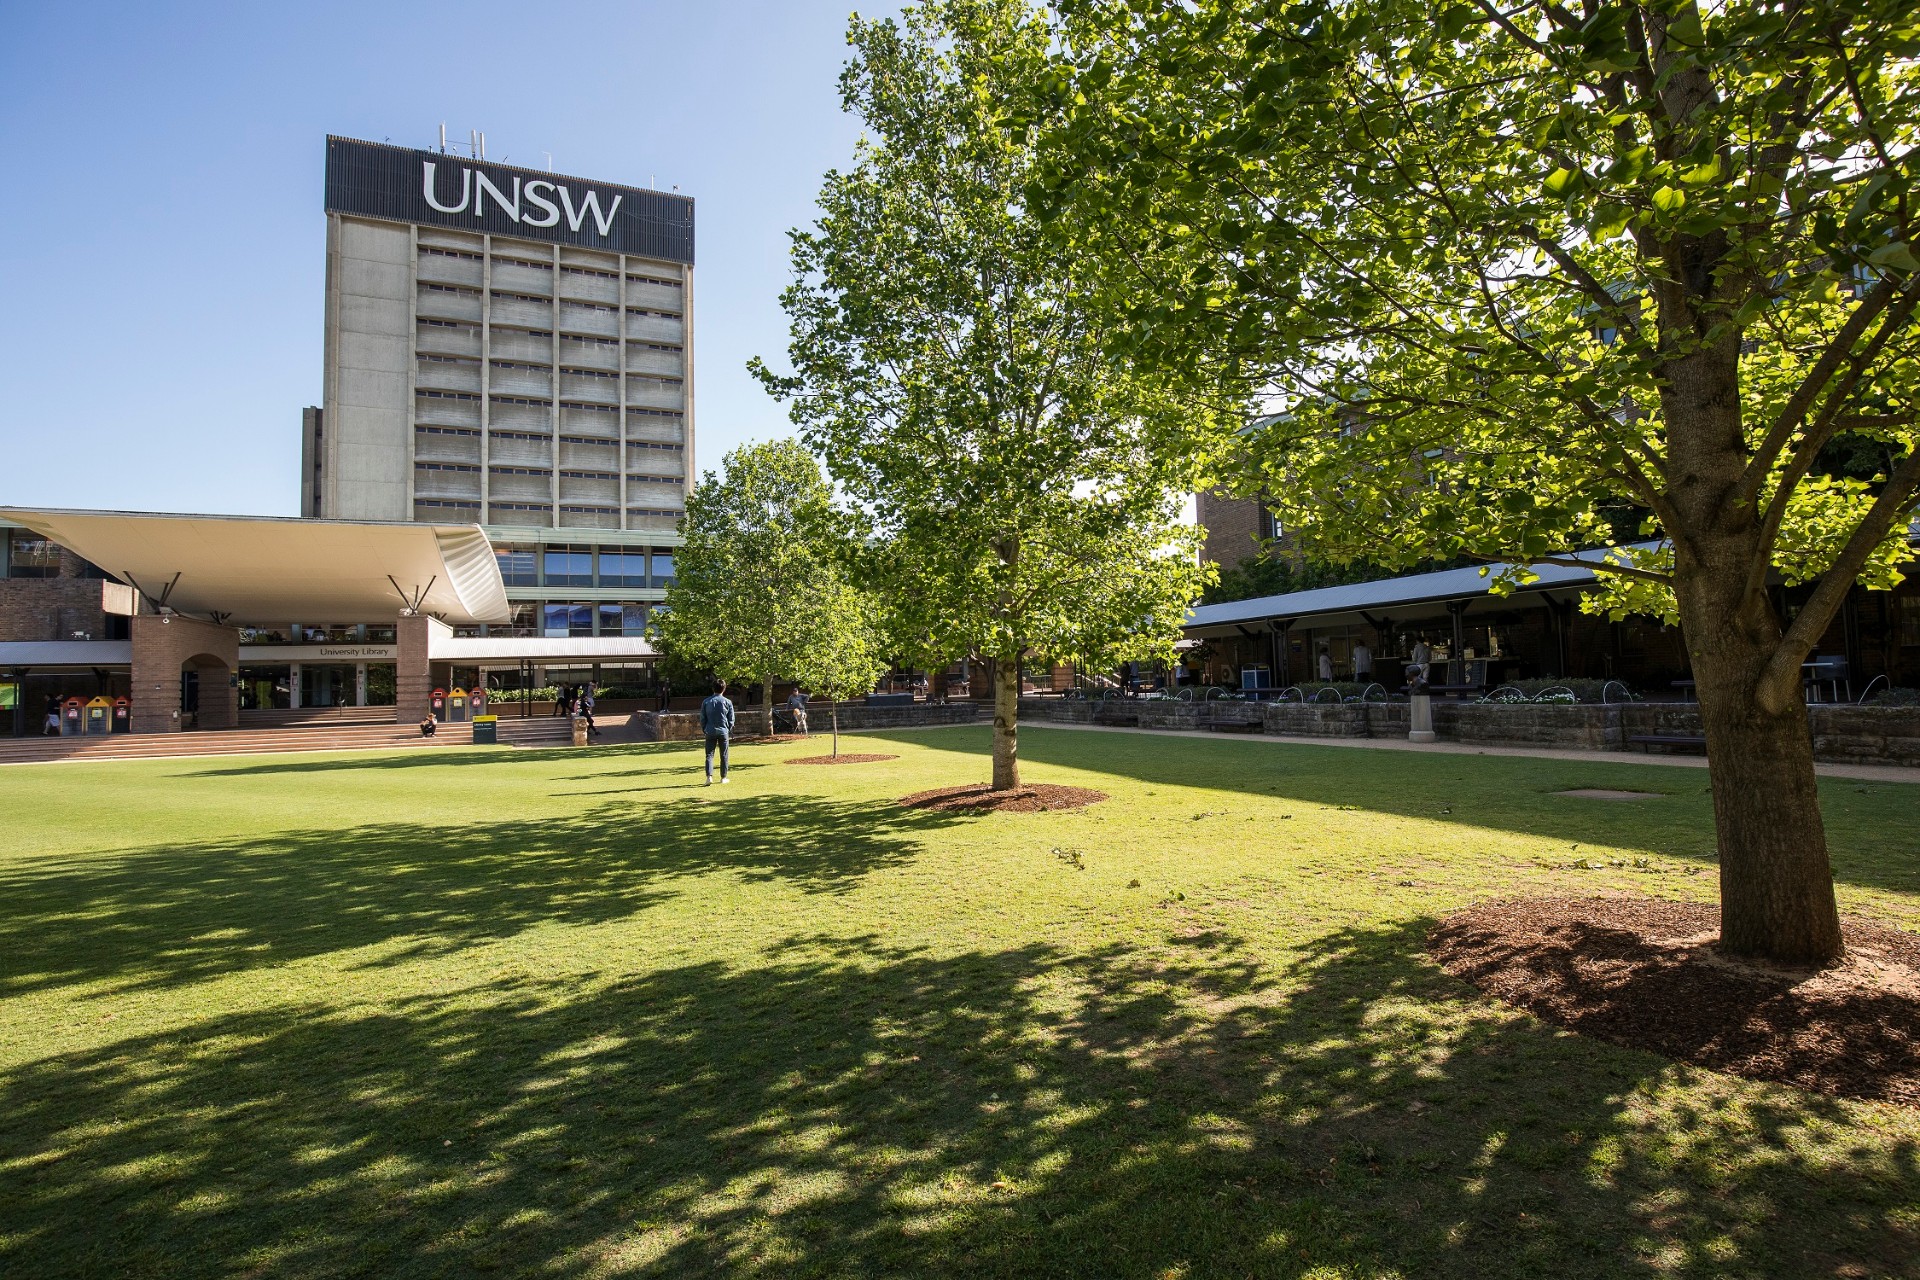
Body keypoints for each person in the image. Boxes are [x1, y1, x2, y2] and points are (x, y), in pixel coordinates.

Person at [700, 678, 735, 785]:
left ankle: (709, 776)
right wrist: (728, 729)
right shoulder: (727, 702)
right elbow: (731, 719)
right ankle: (723, 777)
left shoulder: (706, 702)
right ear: (724, 688)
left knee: (709, 755)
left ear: (713, 688)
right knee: (724, 754)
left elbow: (702, 718)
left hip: (710, 730)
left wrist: (704, 729)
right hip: (723, 731)